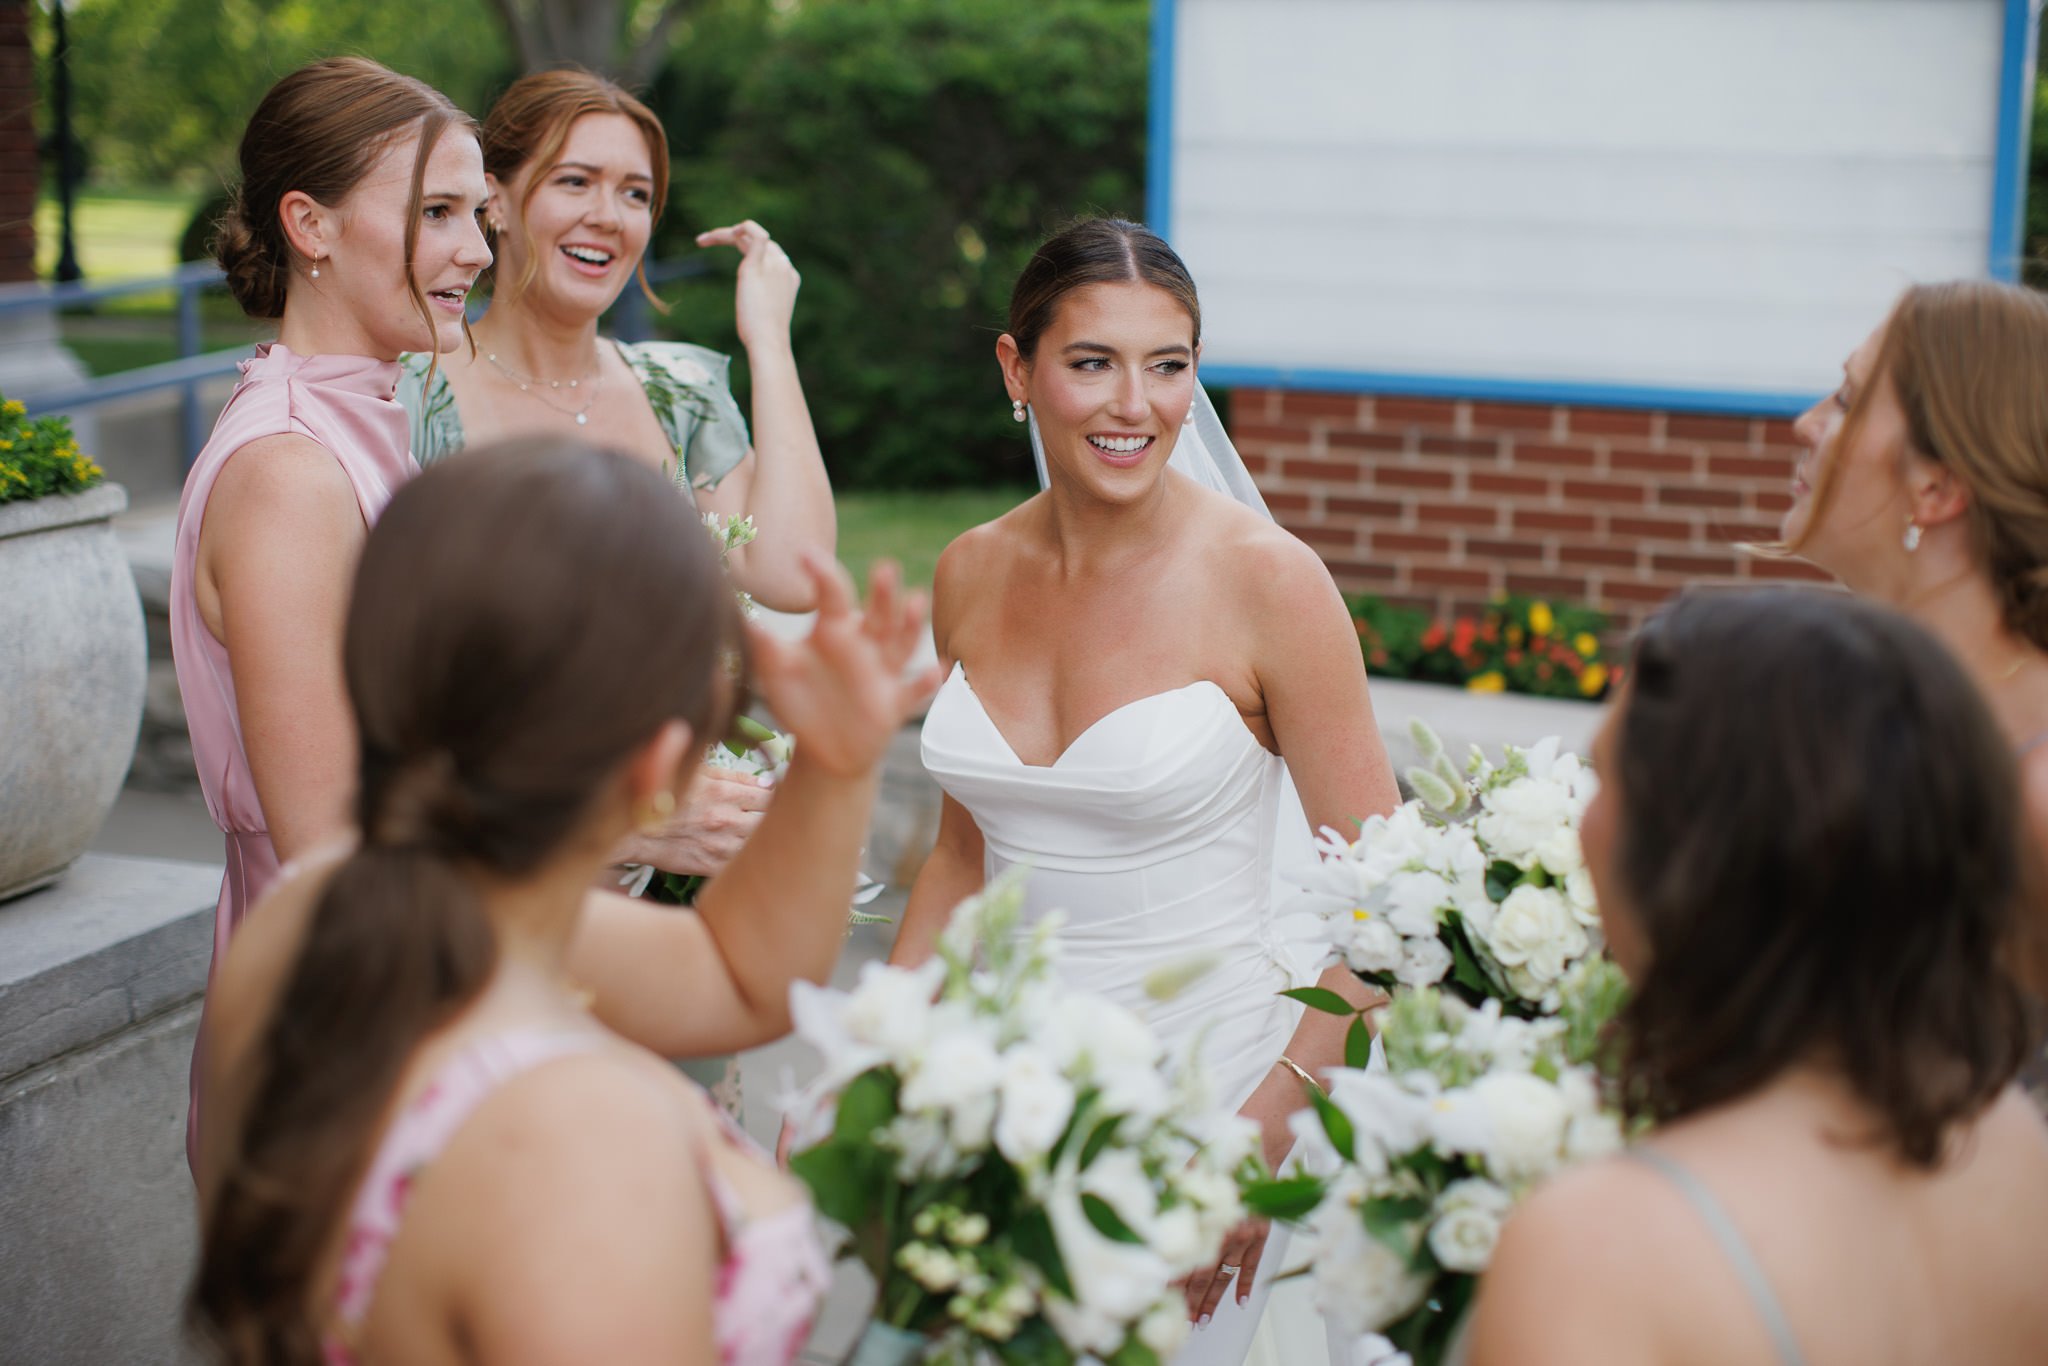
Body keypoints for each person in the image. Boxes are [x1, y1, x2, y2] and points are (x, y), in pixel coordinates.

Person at [189, 437, 926, 1364]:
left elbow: (742, 981)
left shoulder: (314, 919)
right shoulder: (581, 1141)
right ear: (661, 765)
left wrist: (835, 766)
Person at [887, 218, 1400, 1364]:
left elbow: (1387, 912)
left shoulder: (1269, 584)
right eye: (1091, 362)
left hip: (1209, 1103)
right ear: (1016, 369)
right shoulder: (969, 569)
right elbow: (959, 863)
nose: (1135, 405)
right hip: (1005, 1093)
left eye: (1166, 366)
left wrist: (1254, 1143)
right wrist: (866, 1065)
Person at [394, 68, 839, 1110]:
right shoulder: (414, 400)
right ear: (496, 199)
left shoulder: (676, 391)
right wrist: (617, 826)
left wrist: (768, 340)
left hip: (668, 931)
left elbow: (792, 569)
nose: (610, 215)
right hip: (490, 914)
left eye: (635, 193)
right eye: (575, 182)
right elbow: (393, 701)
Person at [1465, 587, 2048, 1366]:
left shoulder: (1602, 1246)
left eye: (1604, 777)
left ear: (1696, 855)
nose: (1583, 821)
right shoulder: (2008, 1142)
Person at [171, 57, 494, 1166]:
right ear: (309, 224)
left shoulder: (369, 422)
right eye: (436, 213)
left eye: (478, 214)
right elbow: (330, 848)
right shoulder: (290, 474)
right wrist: (619, 820)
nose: (476, 250)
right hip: (338, 1036)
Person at [1771, 280, 2048, 1103]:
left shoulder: (2033, 800)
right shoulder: (1848, 705)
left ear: (1937, 487)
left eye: (1847, 398)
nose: (1805, 423)